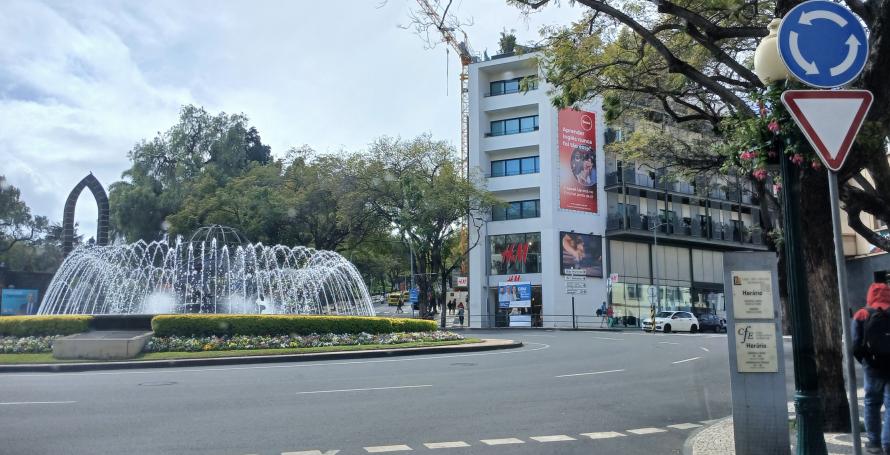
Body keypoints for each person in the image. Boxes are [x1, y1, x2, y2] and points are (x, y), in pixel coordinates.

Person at [854, 277, 890, 454]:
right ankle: (888, 442)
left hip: (872, 367)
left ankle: (874, 444)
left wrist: (867, 361)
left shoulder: (862, 313)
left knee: (871, 403)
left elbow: (855, 345)